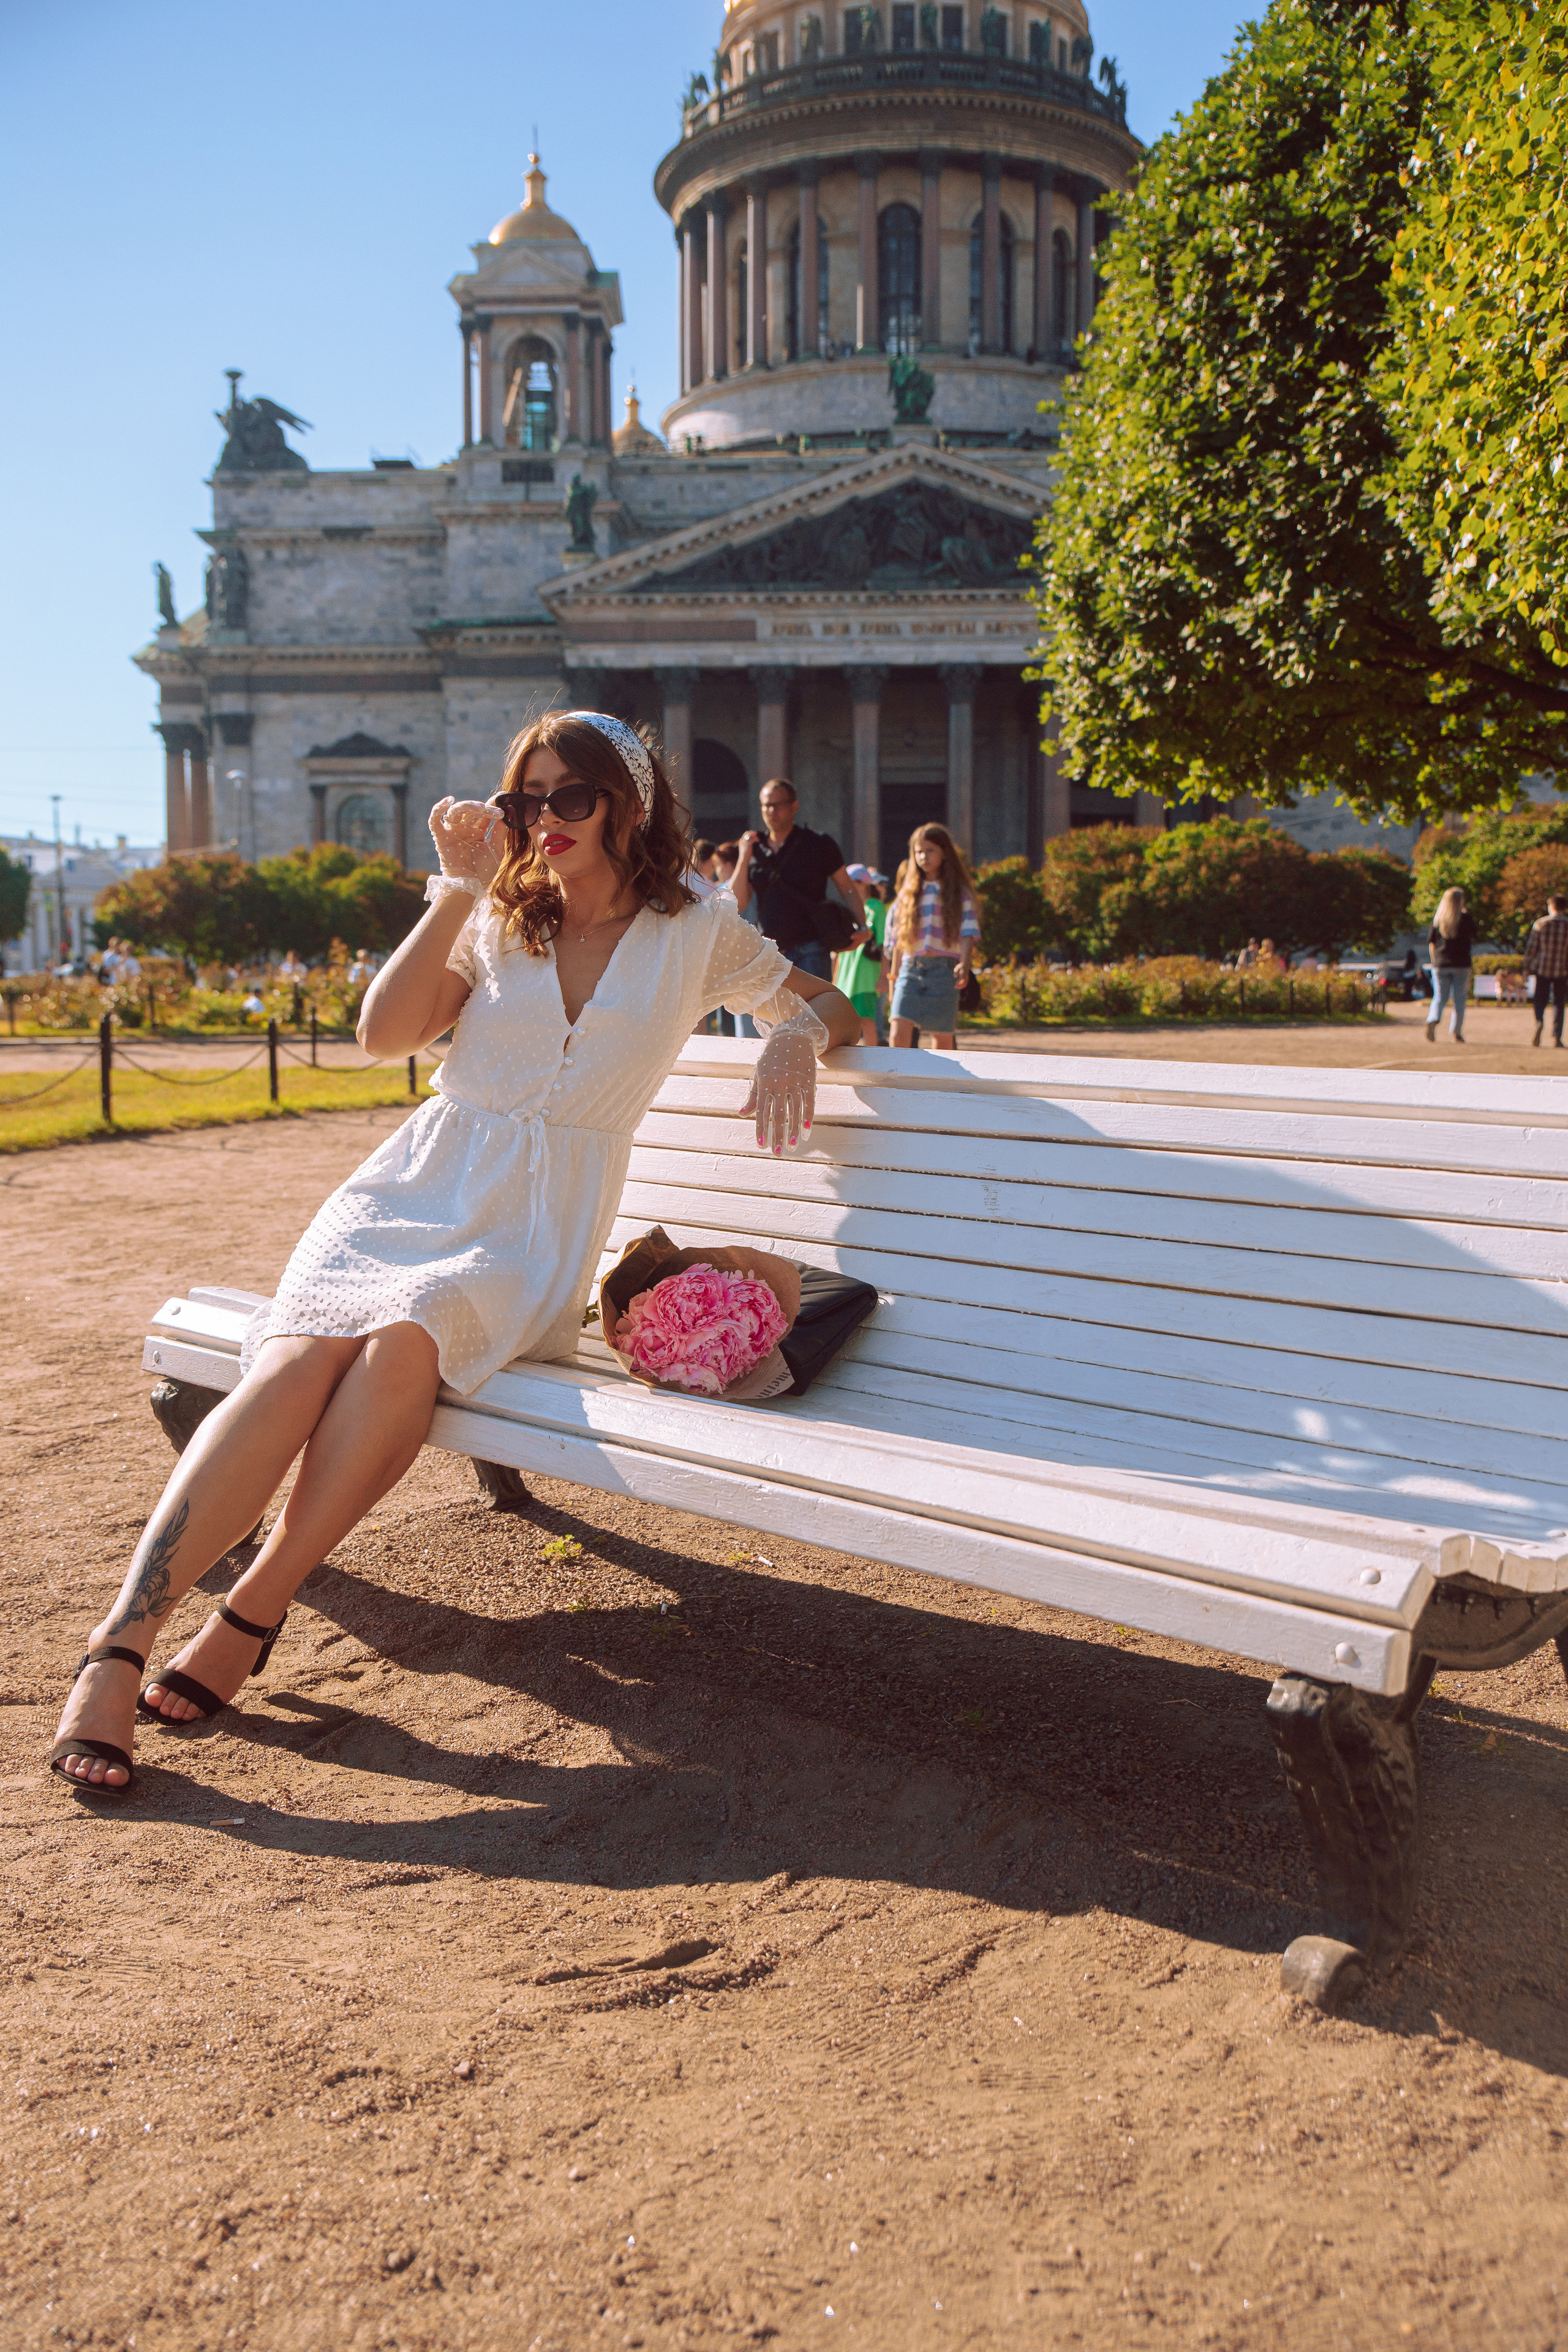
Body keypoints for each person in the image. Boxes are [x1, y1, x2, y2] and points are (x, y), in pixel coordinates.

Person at [48, 710, 859, 1795]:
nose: (544, 820)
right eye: (527, 800)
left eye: (571, 797)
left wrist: (797, 1036)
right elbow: (383, 1037)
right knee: (293, 1364)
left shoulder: (695, 931)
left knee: (402, 1348)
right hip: (409, 1189)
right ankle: (120, 1642)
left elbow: (829, 1004)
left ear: (629, 803)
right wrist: (458, 888)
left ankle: (257, 1601)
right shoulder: (500, 916)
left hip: (528, 1237)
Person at [731, 778, 865, 984]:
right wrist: (743, 857)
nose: (771, 811)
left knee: (813, 1015)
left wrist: (862, 927)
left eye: (778, 805)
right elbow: (738, 902)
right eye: (766, 805)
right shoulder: (755, 850)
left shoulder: (818, 844)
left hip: (811, 949)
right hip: (770, 954)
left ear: (794, 806)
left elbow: (846, 888)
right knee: (773, 1017)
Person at [888, 824, 981, 1050]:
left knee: (943, 1036)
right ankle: (896, 1084)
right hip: (910, 969)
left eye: (930, 850)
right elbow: (900, 938)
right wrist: (893, 979)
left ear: (944, 853)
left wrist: (965, 963)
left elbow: (968, 931)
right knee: (898, 1032)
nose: (923, 857)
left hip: (945, 970)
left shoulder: (959, 892)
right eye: (918, 852)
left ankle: (941, 1085)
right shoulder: (908, 893)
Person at [834, 862, 889, 1046]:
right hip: (845, 976)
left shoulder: (877, 908)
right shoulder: (848, 909)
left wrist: (884, 977)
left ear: (864, 883)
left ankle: (873, 1066)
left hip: (866, 976)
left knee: (866, 1020)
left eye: (853, 882)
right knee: (845, 1023)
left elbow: (885, 946)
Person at [1427, 886, 1476, 1043]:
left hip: (1441, 963)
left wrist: (1435, 962)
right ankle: (1456, 1032)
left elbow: (1432, 944)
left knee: (1440, 997)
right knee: (1459, 1000)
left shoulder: (1439, 919)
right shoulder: (1466, 919)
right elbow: (1474, 935)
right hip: (1461, 964)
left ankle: (1433, 1019)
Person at [1523, 892, 1568, 1049]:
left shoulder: (1541, 923)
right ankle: (1557, 1037)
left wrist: (1526, 968)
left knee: (1539, 1000)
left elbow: (1532, 949)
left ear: (1553, 906)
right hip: (1562, 970)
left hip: (1543, 968)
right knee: (1559, 1003)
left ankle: (1539, 1021)